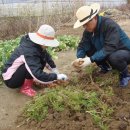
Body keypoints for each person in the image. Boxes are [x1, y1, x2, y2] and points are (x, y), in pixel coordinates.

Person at [72, 3, 130, 87]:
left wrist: (90, 59)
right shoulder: (88, 30)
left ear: (94, 18)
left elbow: (110, 47)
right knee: (89, 49)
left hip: (124, 52)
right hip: (109, 51)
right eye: (83, 25)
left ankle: (125, 75)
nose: (85, 27)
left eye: (86, 24)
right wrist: (79, 57)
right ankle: (106, 67)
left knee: (114, 57)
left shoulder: (109, 25)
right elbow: (82, 45)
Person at [2, 24, 68, 97]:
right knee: (30, 65)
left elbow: (46, 57)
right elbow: (37, 74)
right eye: (47, 43)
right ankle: (25, 88)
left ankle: (27, 81)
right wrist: (55, 77)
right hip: (10, 79)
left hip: (17, 73)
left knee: (38, 60)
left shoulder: (36, 46)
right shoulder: (29, 51)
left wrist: (55, 70)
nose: (48, 46)